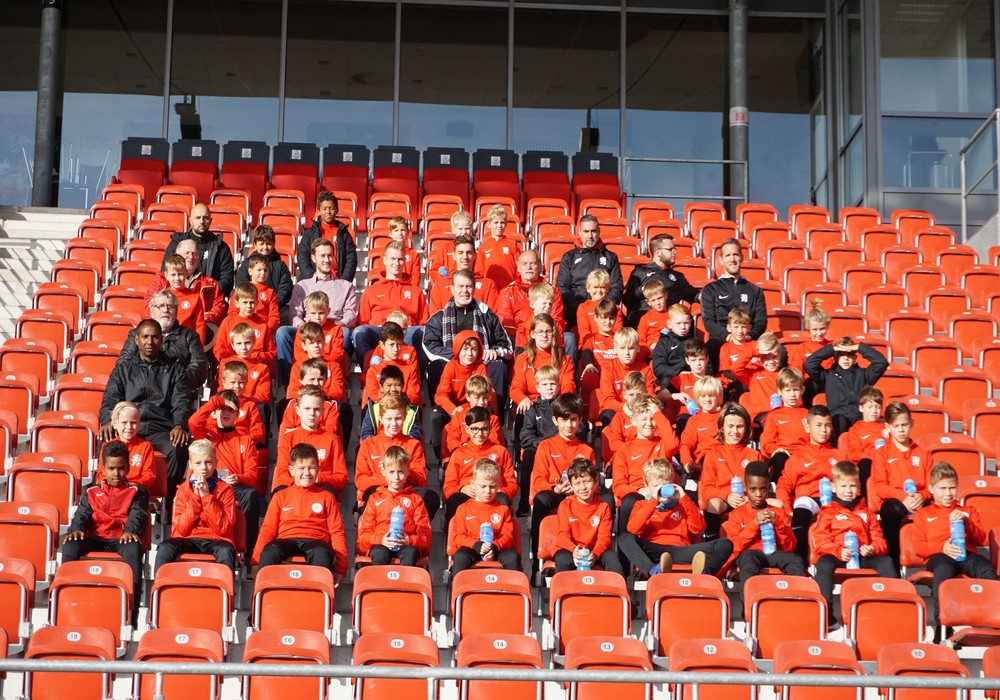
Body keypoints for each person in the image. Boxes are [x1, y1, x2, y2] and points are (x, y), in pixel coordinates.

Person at [100, 319, 191, 497]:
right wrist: (108, 421)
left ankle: (168, 500)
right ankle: (109, 496)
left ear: (161, 340)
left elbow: (182, 402)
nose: (150, 342)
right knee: (106, 439)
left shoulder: (175, 370)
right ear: (137, 339)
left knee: (178, 446)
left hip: (162, 429)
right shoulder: (123, 369)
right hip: (130, 428)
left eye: (155, 337)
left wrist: (179, 425)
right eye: (145, 336)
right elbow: (109, 400)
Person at [62, 441, 149, 625]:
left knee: (134, 548)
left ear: (128, 468)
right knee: (70, 544)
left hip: (121, 538)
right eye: (111, 468)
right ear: (103, 469)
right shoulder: (92, 492)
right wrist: (76, 529)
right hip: (96, 537)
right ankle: (65, 603)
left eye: (121, 468)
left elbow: (138, 514)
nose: (116, 473)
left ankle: (131, 614)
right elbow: (82, 515)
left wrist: (130, 531)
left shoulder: (137, 492)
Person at [909, 461, 997, 636]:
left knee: (987, 570)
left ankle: (995, 620)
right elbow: (918, 547)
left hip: (967, 553)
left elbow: (980, 538)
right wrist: (942, 547)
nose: (948, 493)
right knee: (943, 571)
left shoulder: (968, 510)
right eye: (943, 488)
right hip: (939, 555)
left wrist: (967, 522)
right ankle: (942, 626)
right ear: (931, 489)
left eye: (952, 488)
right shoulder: (923, 514)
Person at [812, 460, 897, 630]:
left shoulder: (867, 512)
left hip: (863, 556)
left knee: (886, 561)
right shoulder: (827, 512)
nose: (848, 491)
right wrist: (838, 551)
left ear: (859, 486)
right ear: (833, 488)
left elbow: (880, 541)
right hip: (838, 556)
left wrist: (872, 549)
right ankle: (826, 616)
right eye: (843, 486)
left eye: (852, 486)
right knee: (823, 563)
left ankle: (891, 609)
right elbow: (821, 541)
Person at [619, 458, 733, 577]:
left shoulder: (683, 504)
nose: (662, 489)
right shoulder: (641, 505)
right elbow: (633, 529)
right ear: (647, 486)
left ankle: (705, 572)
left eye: (666, 485)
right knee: (624, 538)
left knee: (725, 544)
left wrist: (683, 498)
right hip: (655, 551)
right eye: (656, 486)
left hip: (681, 550)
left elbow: (699, 527)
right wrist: (654, 501)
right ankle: (653, 571)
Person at [253, 443, 348, 584]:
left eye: (311, 468)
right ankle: (263, 594)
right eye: (301, 468)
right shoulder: (280, 496)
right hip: (286, 539)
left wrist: (341, 568)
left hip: (315, 541)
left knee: (322, 553)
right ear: (291, 470)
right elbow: (267, 529)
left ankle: (321, 596)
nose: (307, 473)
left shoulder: (327, 497)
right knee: (270, 551)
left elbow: (337, 532)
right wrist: (255, 561)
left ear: (318, 469)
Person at [188, 390, 262, 556]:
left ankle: (248, 550)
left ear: (237, 414)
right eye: (222, 409)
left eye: (230, 410)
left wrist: (238, 478)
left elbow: (252, 475)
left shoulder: (246, 440)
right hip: (205, 484)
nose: (226, 413)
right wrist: (216, 402)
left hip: (232, 487)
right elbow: (193, 421)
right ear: (214, 412)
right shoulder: (206, 435)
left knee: (250, 494)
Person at [423, 269, 514, 405]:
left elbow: (506, 345)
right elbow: (430, 345)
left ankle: (493, 415)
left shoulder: (487, 315)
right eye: (460, 286)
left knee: (499, 368)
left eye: (468, 286)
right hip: (452, 364)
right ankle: (441, 411)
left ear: (474, 288)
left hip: (481, 363)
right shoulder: (439, 318)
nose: (464, 290)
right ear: (452, 289)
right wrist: (457, 357)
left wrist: (494, 351)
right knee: (435, 366)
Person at [279, 238, 358, 384]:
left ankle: (338, 379)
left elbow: (351, 314)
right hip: (307, 327)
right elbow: (295, 315)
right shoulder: (302, 286)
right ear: (313, 258)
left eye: (330, 256)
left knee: (345, 332)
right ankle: (290, 382)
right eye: (323, 256)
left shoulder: (346, 286)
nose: (327, 260)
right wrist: (306, 329)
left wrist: (335, 327)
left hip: (333, 327)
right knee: (282, 332)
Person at [529, 394, 596, 561]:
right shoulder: (545, 446)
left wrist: (579, 489)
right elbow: (537, 481)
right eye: (564, 420)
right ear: (555, 420)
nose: (569, 425)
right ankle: (537, 555)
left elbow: (593, 483)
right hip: (556, 494)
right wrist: (555, 488)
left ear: (580, 420)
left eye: (573, 419)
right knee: (541, 499)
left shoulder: (586, 450)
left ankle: (593, 552)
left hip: (579, 497)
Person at [154, 439, 236, 573]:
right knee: (165, 547)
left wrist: (206, 497)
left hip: (216, 539)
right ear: (190, 465)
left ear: (216, 462)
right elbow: (182, 529)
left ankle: (227, 586)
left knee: (226, 550)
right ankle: (159, 585)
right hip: (188, 538)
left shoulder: (226, 490)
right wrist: (196, 498)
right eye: (198, 463)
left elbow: (222, 529)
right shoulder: (182, 490)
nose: (203, 467)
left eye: (208, 462)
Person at [776, 405, 846, 562]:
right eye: (818, 425)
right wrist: (788, 510)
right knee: (802, 506)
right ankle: (799, 561)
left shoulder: (840, 455)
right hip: (809, 500)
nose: (823, 430)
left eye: (827, 425)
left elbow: (851, 483)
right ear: (808, 428)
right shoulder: (798, 457)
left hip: (835, 501)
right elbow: (784, 486)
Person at [722, 460, 806, 586]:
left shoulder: (778, 513)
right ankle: (750, 598)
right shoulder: (736, 514)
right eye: (753, 489)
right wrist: (754, 524)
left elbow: (790, 547)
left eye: (763, 489)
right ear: (745, 488)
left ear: (768, 487)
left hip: (774, 554)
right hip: (750, 554)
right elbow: (734, 547)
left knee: (795, 560)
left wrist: (778, 523)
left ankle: (799, 595)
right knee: (748, 559)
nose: (758, 494)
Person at [355, 393, 437, 520]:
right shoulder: (368, 445)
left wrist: (403, 469)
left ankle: (414, 529)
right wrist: (389, 478)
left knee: (431, 498)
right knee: (371, 493)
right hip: (378, 493)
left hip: (405, 493)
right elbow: (361, 481)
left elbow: (421, 480)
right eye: (389, 419)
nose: (394, 423)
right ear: (381, 418)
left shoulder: (413, 444)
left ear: (405, 417)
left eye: (398, 418)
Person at [869, 401, 931, 567]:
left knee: (938, 510)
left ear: (912, 423)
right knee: (891, 510)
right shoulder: (882, 453)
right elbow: (879, 486)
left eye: (904, 425)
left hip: (919, 499)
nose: (901, 430)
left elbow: (932, 486)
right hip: (895, 500)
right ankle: (893, 563)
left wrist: (921, 496)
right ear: (888, 427)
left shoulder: (923, 453)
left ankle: (933, 561)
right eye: (896, 426)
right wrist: (903, 497)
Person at [354, 241, 430, 366]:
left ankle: (415, 375)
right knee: (359, 332)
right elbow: (363, 321)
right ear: (385, 260)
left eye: (400, 259)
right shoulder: (371, 290)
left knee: (423, 332)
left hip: (406, 332)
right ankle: (370, 373)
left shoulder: (416, 291)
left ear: (404, 261)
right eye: (393, 259)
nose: (396, 263)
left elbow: (424, 322)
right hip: (379, 331)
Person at [355, 445, 433, 567]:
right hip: (381, 544)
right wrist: (381, 539)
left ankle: (406, 580)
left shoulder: (416, 499)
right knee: (379, 552)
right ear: (383, 472)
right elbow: (364, 535)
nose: (396, 477)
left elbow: (425, 534)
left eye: (400, 472)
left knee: (411, 552)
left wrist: (409, 540)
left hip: (406, 545)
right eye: (391, 472)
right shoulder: (375, 498)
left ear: (408, 471)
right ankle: (380, 580)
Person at [609, 394, 680, 525]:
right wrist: (639, 491)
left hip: (663, 495)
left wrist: (658, 413)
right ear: (633, 420)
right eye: (643, 419)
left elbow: (674, 444)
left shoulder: (662, 444)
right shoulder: (624, 450)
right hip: (638, 496)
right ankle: (626, 536)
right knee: (629, 501)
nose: (649, 423)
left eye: (653, 419)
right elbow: (618, 487)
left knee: (686, 499)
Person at [120, 289, 208, 393]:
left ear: (176, 311)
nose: (165, 310)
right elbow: (123, 364)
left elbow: (199, 369)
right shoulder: (136, 335)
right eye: (160, 306)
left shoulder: (190, 336)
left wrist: (171, 380)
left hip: (176, 394)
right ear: (151, 310)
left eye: (170, 306)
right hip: (140, 392)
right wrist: (150, 379)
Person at [443, 406, 517, 524]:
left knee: (502, 500)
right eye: (475, 429)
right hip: (468, 495)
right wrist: (462, 489)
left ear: (490, 428)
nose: (480, 433)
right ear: (467, 429)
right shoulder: (459, 454)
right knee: (454, 500)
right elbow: (448, 488)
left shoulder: (500, 451)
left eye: (484, 429)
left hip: (492, 496)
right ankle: (453, 535)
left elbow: (512, 485)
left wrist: (499, 491)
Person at [698, 402, 762, 538]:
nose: (735, 431)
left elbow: (762, 486)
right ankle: (711, 542)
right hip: (724, 499)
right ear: (722, 427)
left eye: (740, 426)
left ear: (746, 428)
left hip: (748, 499)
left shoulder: (754, 455)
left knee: (777, 504)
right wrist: (727, 495)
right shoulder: (713, 454)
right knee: (713, 504)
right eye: (730, 426)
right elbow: (707, 489)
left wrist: (749, 498)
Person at [447, 459, 521, 575]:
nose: (488, 491)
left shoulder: (503, 510)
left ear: (498, 486)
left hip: (496, 548)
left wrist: (494, 547)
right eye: (483, 486)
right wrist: (476, 545)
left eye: (492, 487)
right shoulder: (463, 509)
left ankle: (511, 586)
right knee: (461, 556)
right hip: (472, 547)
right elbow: (458, 537)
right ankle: (459, 585)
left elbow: (507, 537)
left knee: (512, 557)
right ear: (473, 484)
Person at [699, 238, 766, 367]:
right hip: (722, 339)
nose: (732, 259)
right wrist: (727, 335)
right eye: (728, 255)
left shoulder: (755, 291)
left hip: (748, 338)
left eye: (735, 254)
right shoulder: (710, 289)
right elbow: (709, 321)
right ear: (721, 260)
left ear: (742, 258)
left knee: (778, 350)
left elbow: (761, 322)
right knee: (709, 349)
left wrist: (749, 336)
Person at [273, 386, 348, 498]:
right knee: (279, 492)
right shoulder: (288, 438)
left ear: (322, 410)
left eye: (316, 409)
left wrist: (317, 479)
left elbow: (342, 478)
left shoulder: (332, 440)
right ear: (298, 410)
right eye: (307, 408)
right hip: (294, 490)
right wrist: (300, 483)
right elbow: (282, 473)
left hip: (321, 490)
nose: (312, 413)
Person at [804, 336, 889, 436]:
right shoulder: (827, 376)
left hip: (859, 418)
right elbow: (809, 364)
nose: (846, 358)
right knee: (840, 420)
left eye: (849, 354)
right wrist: (832, 349)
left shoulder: (864, 375)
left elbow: (881, 362)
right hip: (838, 420)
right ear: (835, 357)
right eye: (841, 354)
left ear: (855, 357)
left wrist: (859, 347)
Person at [554, 458, 625, 576]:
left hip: (594, 550)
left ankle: (619, 588)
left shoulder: (603, 507)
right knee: (563, 560)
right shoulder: (566, 505)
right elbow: (562, 535)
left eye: (587, 481)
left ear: (595, 481)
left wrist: (595, 554)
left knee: (612, 558)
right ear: (571, 485)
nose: (583, 487)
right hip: (571, 549)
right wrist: (573, 549)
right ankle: (561, 588)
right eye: (577, 483)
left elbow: (604, 538)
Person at [555, 215, 624, 330]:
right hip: (574, 311)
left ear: (599, 231)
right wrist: (581, 308)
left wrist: (603, 308)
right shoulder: (569, 257)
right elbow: (562, 288)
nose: (590, 236)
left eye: (593, 231)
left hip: (605, 313)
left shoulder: (611, 257)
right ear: (579, 232)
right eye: (586, 231)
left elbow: (617, 287)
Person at [496, 249, 569, 351]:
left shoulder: (553, 291)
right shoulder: (507, 292)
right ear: (518, 267)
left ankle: (564, 362)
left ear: (540, 266)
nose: (529, 267)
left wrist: (541, 334)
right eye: (524, 264)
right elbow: (505, 322)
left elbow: (557, 319)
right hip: (518, 336)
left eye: (533, 263)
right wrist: (524, 333)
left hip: (546, 335)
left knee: (569, 339)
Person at [145, 238, 227, 328]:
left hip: (199, 327)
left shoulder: (211, 284)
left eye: (195, 254)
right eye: (187, 253)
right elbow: (149, 304)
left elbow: (220, 308)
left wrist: (205, 317)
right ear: (177, 255)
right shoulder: (162, 279)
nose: (191, 257)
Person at [622, 233, 699, 327]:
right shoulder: (640, 272)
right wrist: (643, 289)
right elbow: (627, 300)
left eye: (674, 249)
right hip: (643, 321)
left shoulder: (678, 277)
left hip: (668, 323)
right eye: (670, 249)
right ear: (658, 252)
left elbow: (695, 295)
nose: (674, 252)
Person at [163, 203, 235, 295]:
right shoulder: (176, 243)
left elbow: (227, 281)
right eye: (198, 218)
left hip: (209, 297)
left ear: (210, 221)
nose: (202, 221)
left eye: (205, 218)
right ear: (190, 220)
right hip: (178, 297)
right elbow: (164, 273)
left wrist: (205, 292)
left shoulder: (221, 247)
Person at [511, 313, 575, 414]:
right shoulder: (523, 359)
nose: (544, 335)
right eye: (540, 332)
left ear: (553, 333)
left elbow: (568, 385)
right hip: (531, 406)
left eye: (548, 331)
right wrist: (523, 399)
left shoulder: (564, 359)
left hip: (557, 406)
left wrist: (562, 403)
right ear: (533, 334)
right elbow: (516, 388)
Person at [295, 190, 357, 283]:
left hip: (337, 281)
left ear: (337, 210)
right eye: (324, 209)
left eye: (331, 208)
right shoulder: (309, 234)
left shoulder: (344, 234)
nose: (328, 212)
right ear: (319, 210)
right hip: (313, 282)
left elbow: (351, 260)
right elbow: (302, 257)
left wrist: (343, 282)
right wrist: (313, 279)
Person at [760, 367, 809, 482]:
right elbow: (767, 443)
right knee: (780, 458)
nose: (792, 394)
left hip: (803, 455)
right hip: (784, 454)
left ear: (802, 390)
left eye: (795, 390)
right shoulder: (774, 415)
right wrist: (777, 449)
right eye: (788, 390)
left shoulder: (807, 414)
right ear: (779, 391)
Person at [428, 235, 500, 314]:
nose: (465, 257)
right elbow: (435, 318)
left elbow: (492, 317)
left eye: (469, 253)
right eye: (460, 253)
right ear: (454, 255)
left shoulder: (488, 285)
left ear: (475, 255)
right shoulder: (440, 286)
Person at [234, 224, 293, 310]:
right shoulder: (247, 264)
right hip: (250, 308)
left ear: (274, 244)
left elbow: (285, 289)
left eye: (268, 244)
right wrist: (255, 305)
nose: (265, 247)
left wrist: (273, 304)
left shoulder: (280, 266)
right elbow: (241, 286)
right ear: (255, 245)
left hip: (275, 307)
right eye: (261, 244)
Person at [360, 365, 423, 441]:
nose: (393, 389)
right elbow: (366, 434)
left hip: (403, 447)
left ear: (403, 386)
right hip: (377, 447)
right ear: (381, 387)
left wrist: (399, 445)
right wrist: (383, 445)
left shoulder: (412, 411)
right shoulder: (372, 410)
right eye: (389, 385)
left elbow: (416, 434)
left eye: (397, 385)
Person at [103, 401, 156, 491]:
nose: (129, 427)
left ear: (139, 424)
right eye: (124, 422)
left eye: (133, 422)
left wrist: (133, 485)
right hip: (112, 489)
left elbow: (149, 475)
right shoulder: (107, 446)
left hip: (136, 489)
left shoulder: (146, 446)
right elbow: (102, 474)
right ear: (115, 424)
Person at [477, 204, 522, 290]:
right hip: (490, 289)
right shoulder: (483, 247)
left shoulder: (513, 244)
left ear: (506, 224)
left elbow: (519, 268)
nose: (499, 225)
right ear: (489, 224)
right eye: (496, 222)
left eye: (502, 222)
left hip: (508, 288)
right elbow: (479, 272)